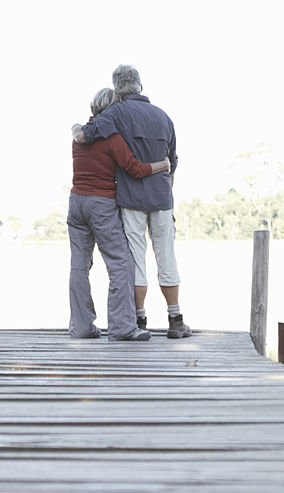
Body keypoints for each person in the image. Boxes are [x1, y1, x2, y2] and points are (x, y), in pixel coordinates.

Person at [72, 65, 191, 339]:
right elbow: (172, 161)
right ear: (140, 85)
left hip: (131, 198)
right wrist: (166, 187)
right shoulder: (164, 116)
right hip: (162, 197)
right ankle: (175, 319)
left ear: (116, 88)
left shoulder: (116, 113)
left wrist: (76, 130)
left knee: (137, 259)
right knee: (166, 257)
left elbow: (87, 134)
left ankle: (140, 320)